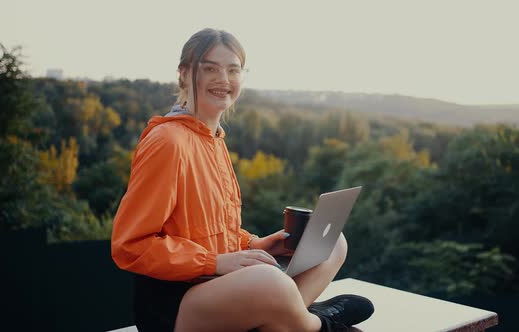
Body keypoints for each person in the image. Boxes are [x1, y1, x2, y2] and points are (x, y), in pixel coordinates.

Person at [111, 28, 374, 332]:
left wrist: (255, 243)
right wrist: (215, 264)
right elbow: (131, 245)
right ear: (184, 74)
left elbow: (210, 231)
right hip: (174, 306)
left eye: (233, 69)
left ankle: (292, 317)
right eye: (210, 68)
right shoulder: (168, 141)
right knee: (271, 282)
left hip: (218, 284)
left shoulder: (214, 140)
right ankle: (320, 324)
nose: (223, 79)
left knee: (331, 242)